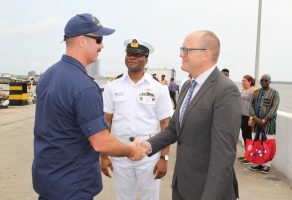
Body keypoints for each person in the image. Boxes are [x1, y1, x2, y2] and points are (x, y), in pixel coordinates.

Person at [32, 13, 146, 200]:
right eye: (99, 39)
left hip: (48, 180)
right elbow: (101, 142)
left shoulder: (47, 76)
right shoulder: (84, 86)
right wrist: (130, 150)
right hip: (72, 186)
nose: (102, 45)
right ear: (81, 41)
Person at [138, 30, 242, 200]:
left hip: (207, 191)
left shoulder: (225, 91)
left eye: (186, 50)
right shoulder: (188, 86)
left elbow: (223, 155)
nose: (181, 54)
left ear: (205, 54)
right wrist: (147, 146)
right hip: (182, 185)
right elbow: (174, 129)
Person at [101, 38, 174, 200]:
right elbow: (107, 122)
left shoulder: (158, 88)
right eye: (129, 54)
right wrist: (104, 155)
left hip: (149, 155)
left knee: (150, 197)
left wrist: (164, 158)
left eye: (137, 55)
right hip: (120, 153)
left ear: (146, 59)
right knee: (123, 197)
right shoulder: (113, 86)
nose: (132, 57)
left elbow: (166, 126)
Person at [248, 74, 280, 174]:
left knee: (267, 144)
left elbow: (274, 109)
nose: (263, 82)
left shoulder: (274, 93)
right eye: (262, 80)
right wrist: (255, 118)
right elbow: (250, 106)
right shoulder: (256, 92)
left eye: (266, 80)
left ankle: (267, 165)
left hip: (268, 125)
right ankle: (259, 163)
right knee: (257, 143)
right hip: (256, 123)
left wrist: (264, 120)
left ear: (269, 81)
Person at [239, 75, 256, 164]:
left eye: (244, 81)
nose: (243, 82)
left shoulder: (253, 90)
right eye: (242, 81)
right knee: (245, 136)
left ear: (250, 82)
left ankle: (249, 156)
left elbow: (254, 105)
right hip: (242, 115)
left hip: (248, 116)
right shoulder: (243, 90)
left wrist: (251, 118)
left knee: (248, 137)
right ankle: (246, 154)